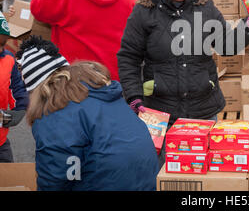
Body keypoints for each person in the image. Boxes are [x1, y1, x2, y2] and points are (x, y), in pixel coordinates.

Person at [117, 0, 249, 167]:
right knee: (166, 172)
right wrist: (133, 95)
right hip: (162, 113)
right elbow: (128, 57)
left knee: (204, 172)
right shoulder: (145, 12)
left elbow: (226, 46)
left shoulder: (204, 8)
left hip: (203, 109)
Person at [16, 36, 158, 191]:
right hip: (145, 181)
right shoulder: (100, 92)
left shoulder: (54, 112)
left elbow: (56, 175)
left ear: (37, 90)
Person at [0, 12, 29, 162]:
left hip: (1, 142)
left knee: (8, 180)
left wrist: (21, 107)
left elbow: (17, 87)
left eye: (2, 44)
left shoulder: (8, 60)